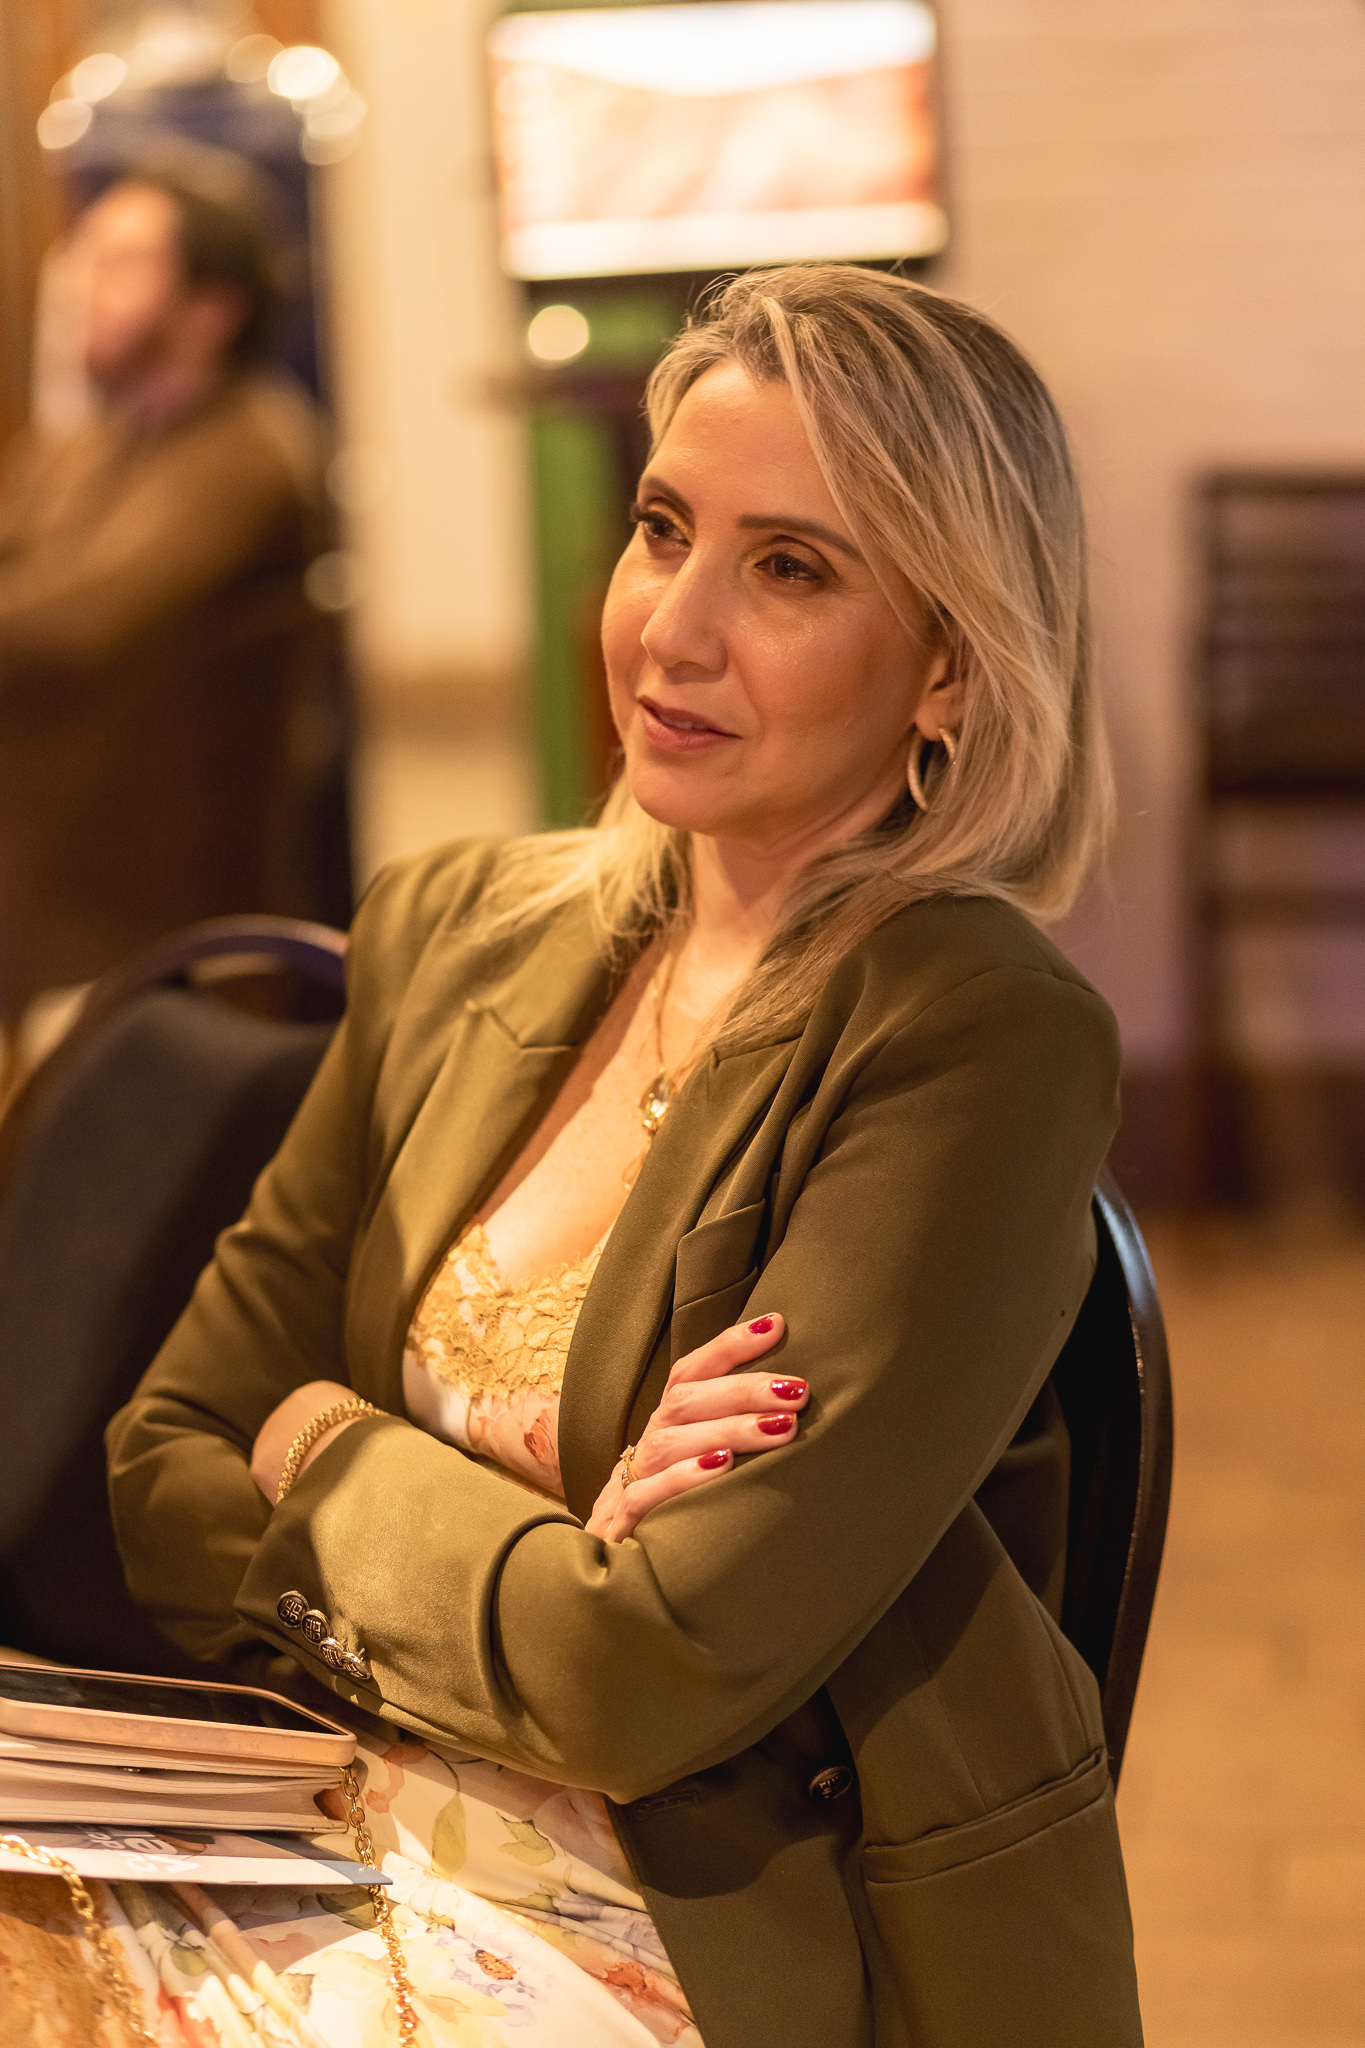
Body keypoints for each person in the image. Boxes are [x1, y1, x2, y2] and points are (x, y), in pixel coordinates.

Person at [106, 264, 1143, 2048]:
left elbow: (642, 1678)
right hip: (329, 1799)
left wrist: (325, 1440)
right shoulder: (454, 924)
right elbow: (163, 1460)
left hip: (713, 1906)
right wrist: (543, 1552)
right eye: (665, 530)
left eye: (790, 568)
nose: (675, 627)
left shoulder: (974, 1035)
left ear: (951, 667)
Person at [0, 155, 341, 1099]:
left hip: (147, 923)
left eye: (121, 263)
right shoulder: (84, 449)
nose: (83, 287)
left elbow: (72, 630)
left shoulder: (249, 451)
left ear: (209, 309)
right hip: (45, 894)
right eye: (86, 259)